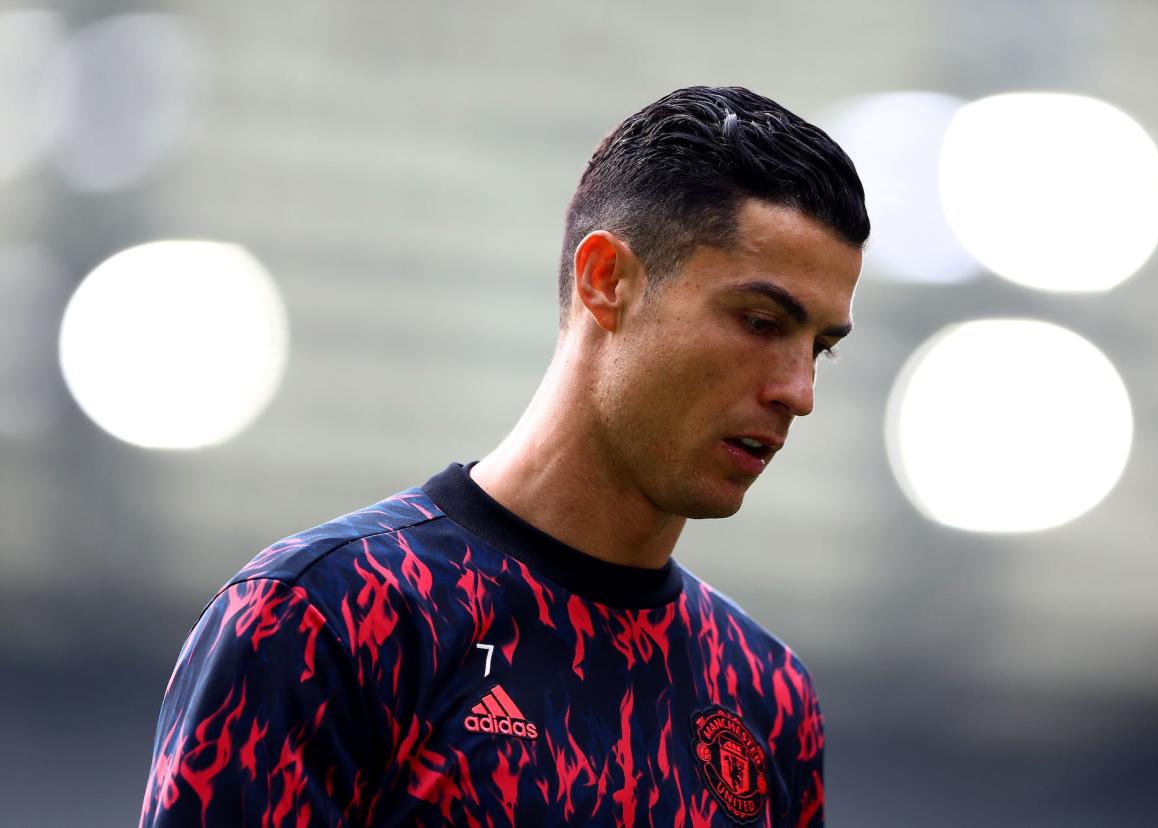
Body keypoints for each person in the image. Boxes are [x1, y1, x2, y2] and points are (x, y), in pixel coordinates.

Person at [139, 85, 868, 827]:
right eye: (759, 321)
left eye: (820, 348)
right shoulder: (325, 617)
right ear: (605, 281)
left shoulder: (766, 698)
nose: (798, 391)